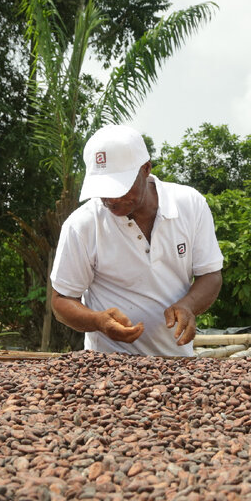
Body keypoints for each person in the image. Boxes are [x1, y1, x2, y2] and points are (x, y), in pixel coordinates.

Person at [50, 124, 223, 356]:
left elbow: (210, 274)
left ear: (146, 169)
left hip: (177, 361)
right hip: (107, 362)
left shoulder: (190, 205)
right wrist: (98, 321)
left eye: (120, 188)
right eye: (103, 189)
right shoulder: (82, 225)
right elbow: (61, 300)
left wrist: (189, 305)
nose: (111, 200)